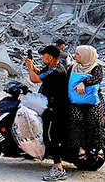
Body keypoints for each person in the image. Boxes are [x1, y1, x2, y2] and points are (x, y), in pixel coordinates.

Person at [25, 45, 69, 181]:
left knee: (50, 137)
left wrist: (28, 67)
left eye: (44, 56)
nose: (42, 58)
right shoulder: (52, 68)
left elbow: (35, 79)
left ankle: (59, 168)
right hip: (48, 106)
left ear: (50, 57)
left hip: (56, 109)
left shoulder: (57, 71)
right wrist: (31, 65)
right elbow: (39, 73)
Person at [68, 45, 105, 162]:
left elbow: (97, 78)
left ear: (86, 55)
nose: (75, 56)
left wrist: (84, 83)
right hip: (76, 100)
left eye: (78, 54)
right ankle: (81, 148)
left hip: (93, 101)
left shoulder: (96, 67)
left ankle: (98, 146)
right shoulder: (73, 67)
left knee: (94, 119)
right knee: (76, 118)